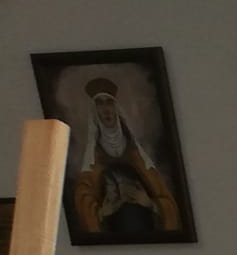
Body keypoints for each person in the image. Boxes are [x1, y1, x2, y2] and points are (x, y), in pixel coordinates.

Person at [73, 76, 183, 236]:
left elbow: (168, 203)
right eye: (100, 103)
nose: (106, 109)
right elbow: (83, 202)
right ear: (95, 112)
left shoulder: (137, 154)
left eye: (109, 102)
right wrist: (102, 212)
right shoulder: (92, 159)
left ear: (116, 108)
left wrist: (150, 204)